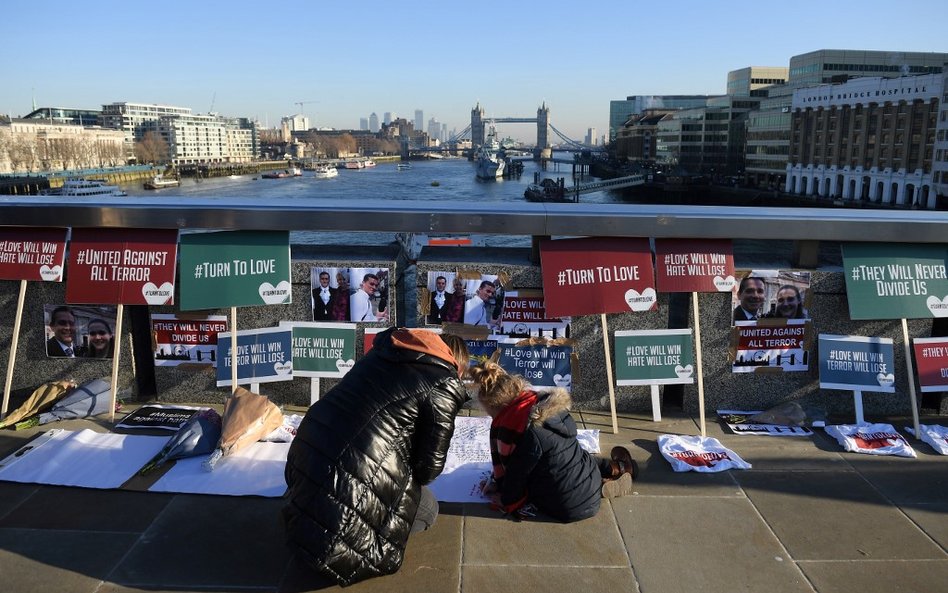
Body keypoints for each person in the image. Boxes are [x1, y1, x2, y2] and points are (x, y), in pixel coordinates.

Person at [283, 329, 470, 586]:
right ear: (457, 365)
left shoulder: (379, 355)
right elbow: (427, 470)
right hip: (347, 489)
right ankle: (345, 538)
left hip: (305, 458)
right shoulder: (444, 382)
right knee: (427, 509)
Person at [468, 362, 637, 523]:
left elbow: (516, 475)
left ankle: (601, 485)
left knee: (552, 472)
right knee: (576, 456)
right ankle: (615, 469)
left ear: (498, 409)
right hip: (585, 482)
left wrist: (504, 496)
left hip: (562, 505)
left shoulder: (521, 430)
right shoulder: (547, 407)